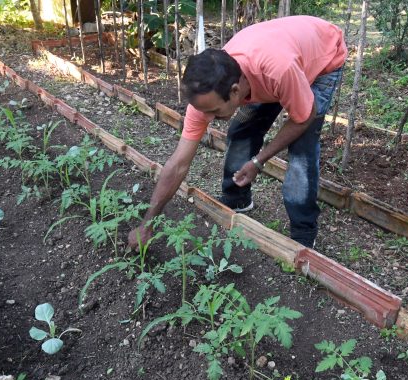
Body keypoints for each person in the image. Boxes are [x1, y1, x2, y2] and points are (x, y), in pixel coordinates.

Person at [128, 15, 346, 249]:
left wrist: (259, 160)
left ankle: (303, 233)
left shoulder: (279, 71)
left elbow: (303, 118)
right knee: (242, 128)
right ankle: (237, 199)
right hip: (276, 55)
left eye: (213, 111)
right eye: (204, 112)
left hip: (323, 56)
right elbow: (178, 163)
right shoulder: (207, 93)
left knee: (302, 148)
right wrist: (147, 223)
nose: (208, 119)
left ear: (235, 91)